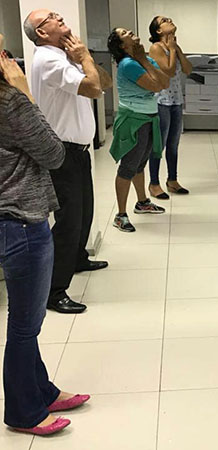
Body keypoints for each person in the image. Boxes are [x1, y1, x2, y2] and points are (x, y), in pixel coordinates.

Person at [0, 52, 90, 437]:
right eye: (2, 53)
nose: (10, 59)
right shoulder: (10, 101)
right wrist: (26, 94)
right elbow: (54, 153)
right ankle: (24, 411)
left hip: (10, 218)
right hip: (22, 219)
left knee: (26, 320)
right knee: (25, 325)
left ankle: (42, 391)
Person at [24, 10, 112, 314]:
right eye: (50, 17)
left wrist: (83, 57)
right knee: (68, 221)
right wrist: (83, 56)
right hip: (62, 152)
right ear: (41, 32)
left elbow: (104, 82)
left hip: (78, 150)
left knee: (84, 212)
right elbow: (93, 89)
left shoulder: (65, 55)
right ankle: (53, 291)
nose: (58, 15)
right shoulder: (49, 59)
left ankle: (77, 259)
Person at [107, 27, 170, 232]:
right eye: (125, 33)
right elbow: (155, 86)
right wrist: (143, 60)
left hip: (148, 117)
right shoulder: (128, 64)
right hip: (134, 119)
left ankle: (142, 202)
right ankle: (120, 215)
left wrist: (145, 60)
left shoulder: (144, 59)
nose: (130, 31)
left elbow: (165, 82)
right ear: (122, 46)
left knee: (140, 164)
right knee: (128, 167)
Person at [148, 16, 193, 200]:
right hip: (161, 102)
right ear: (158, 30)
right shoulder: (156, 48)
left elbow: (188, 69)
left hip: (176, 101)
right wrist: (172, 50)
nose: (170, 20)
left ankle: (172, 180)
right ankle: (154, 183)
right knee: (159, 145)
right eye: (165, 20)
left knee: (173, 144)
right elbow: (169, 70)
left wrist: (176, 49)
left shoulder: (174, 46)